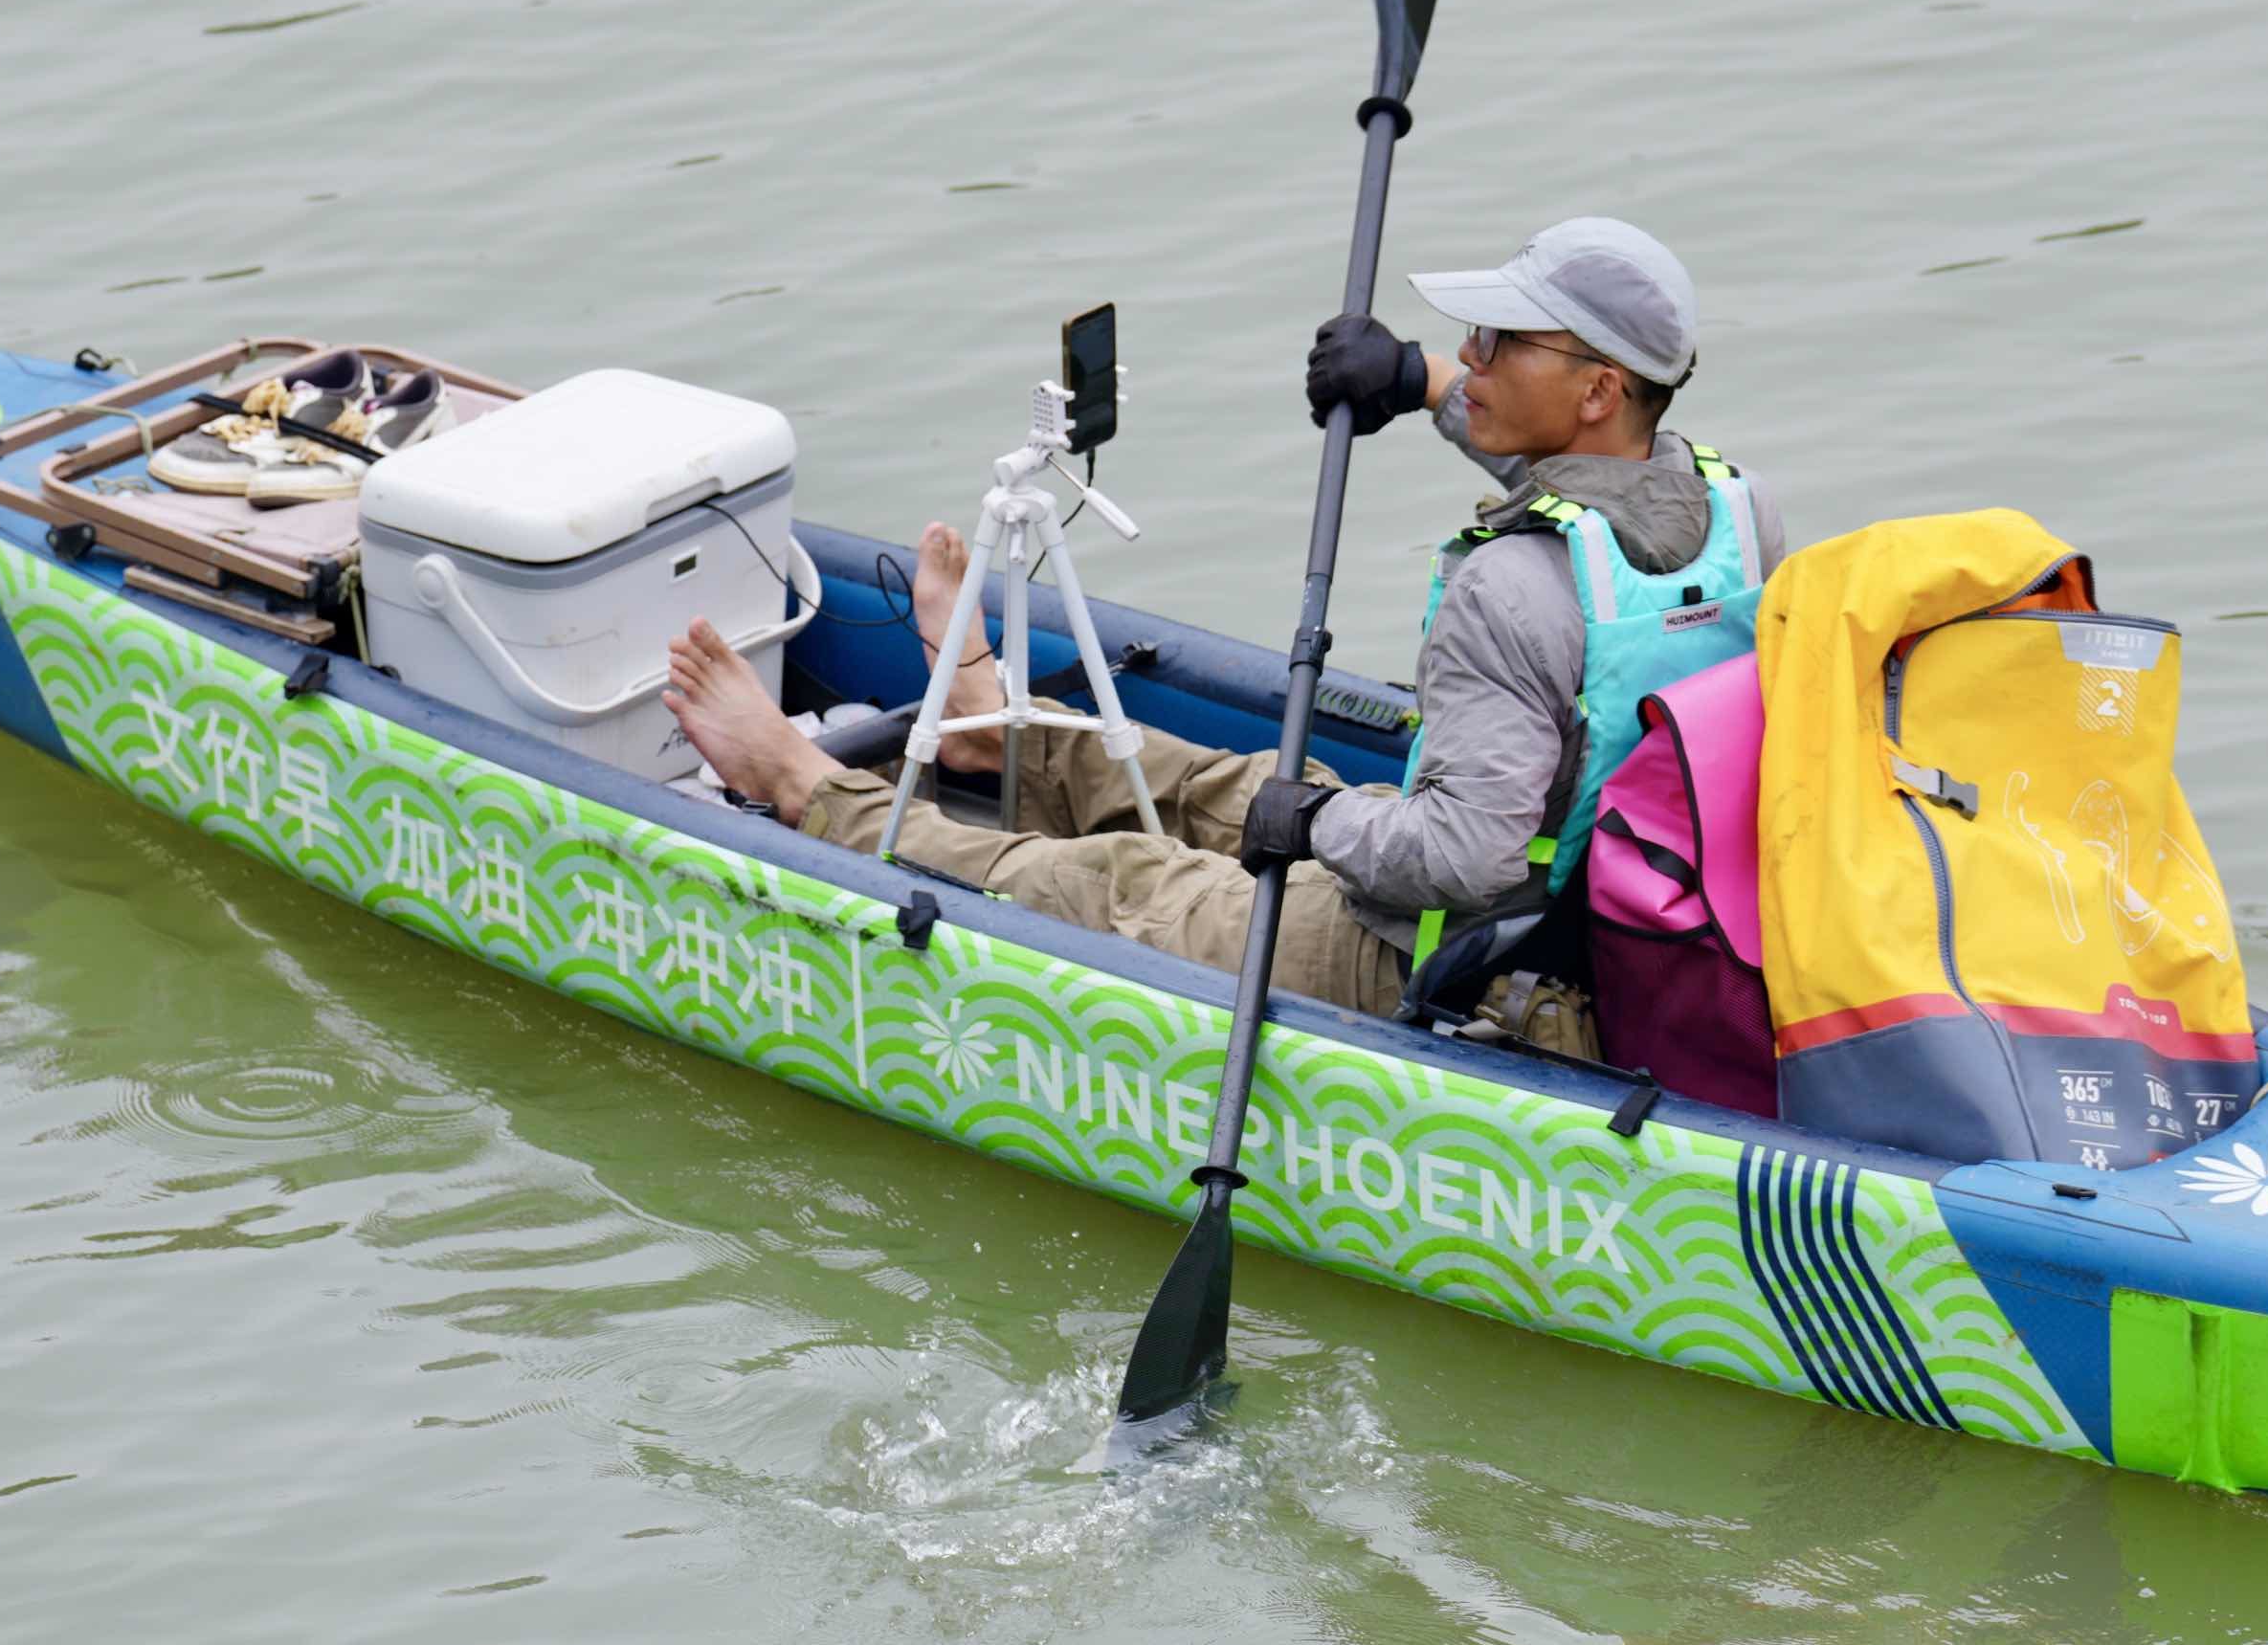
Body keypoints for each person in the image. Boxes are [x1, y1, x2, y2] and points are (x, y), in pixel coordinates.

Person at [660, 216, 1783, 1034]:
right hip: (1567, 898)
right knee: (1228, 784)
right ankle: (988, 731)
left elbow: (1460, 851)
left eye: (1498, 345)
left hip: (1432, 950)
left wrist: (1317, 831)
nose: (1471, 359)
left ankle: (811, 787)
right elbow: (1585, 488)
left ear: (1595, 387)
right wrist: (1412, 378)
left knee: (1115, 878)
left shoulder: (1511, 588)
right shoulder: (1732, 509)